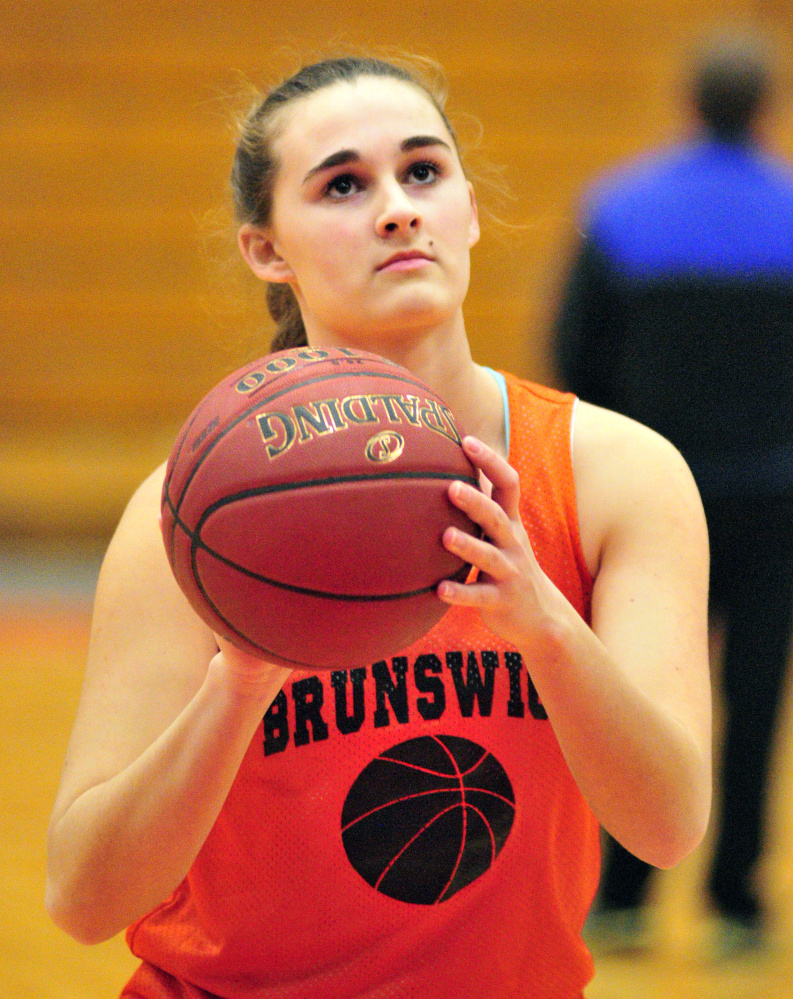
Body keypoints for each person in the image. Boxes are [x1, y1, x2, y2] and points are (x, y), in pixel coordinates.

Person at [45, 56, 711, 999]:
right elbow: (82, 896)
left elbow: (669, 824)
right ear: (266, 250)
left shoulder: (617, 476)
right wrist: (238, 682)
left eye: (423, 172)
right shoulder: (191, 522)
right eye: (344, 185)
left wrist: (545, 624)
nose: (396, 208)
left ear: (469, 212)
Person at [553, 29, 793, 958]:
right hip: (775, 502)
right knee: (755, 696)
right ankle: (735, 900)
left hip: (654, 502)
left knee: (641, 697)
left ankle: (620, 895)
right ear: (763, 108)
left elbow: (576, 351)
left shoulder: (622, 211)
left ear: (689, 103)